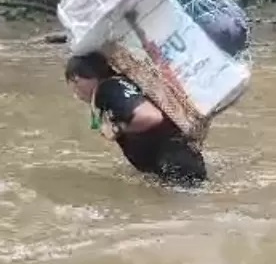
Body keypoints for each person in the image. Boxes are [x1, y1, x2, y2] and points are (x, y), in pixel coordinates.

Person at [65, 52, 207, 187]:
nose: (76, 94)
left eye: (73, 86)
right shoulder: (121, 83)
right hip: (180, 161)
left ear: (77, 79)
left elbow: (151, 117)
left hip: (175, 166)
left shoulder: (108, 89)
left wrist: (116, 128)